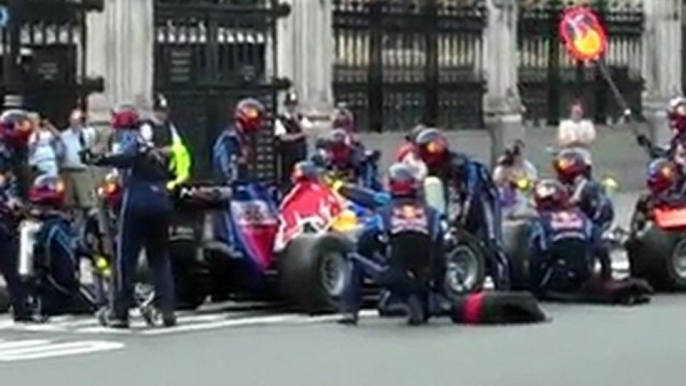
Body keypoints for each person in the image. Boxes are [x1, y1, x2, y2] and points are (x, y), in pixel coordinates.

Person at [84, 105, 176, 328]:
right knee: (160, 258)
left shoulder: (129, 138)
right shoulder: (152, 143)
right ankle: (167, 311)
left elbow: (126, 155)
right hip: (161, 201)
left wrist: (98, 159)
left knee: (125, 259)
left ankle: (119, 312)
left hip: (137, 202)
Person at [339, 163, 444, 326]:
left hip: (394, 274)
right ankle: (421, 298)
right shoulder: (432, 213)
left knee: (355, 258)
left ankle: (349, 311)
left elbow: (365, 239)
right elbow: (440, 251)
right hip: (427, 277)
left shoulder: (384, 211)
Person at [414, 128, 511, 290]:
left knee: (491, 240)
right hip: (454, 210)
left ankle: (503, 284)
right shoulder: (429, 173)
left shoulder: (461, 165)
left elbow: (473, 192)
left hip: (482, 203)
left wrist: (462, 218)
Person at [528, 179, 610, 297]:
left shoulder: (540, 221)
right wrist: (606, 277)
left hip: (554, 274)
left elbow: (535, 251)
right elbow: (600, 246)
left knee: (537, 249)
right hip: (584, 270)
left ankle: (538, 287)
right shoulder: (582, 216)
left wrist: (533, 285)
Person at [212, 98, 266, 252]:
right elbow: (227, 167)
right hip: (229, 190)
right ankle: (229, 244)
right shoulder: (229, 139)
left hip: (241, 189)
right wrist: (234, 181)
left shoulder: (244, 138)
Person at [552, 148, 614, 232]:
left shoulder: (589, 187)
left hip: (588, 232)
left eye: (566, 162)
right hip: (561, 231)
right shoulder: (563, 188)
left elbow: (602, 212)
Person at [139, 94, 192, 190]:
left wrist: (171, 150)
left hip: (168, 168)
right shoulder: (147, 126)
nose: (164, 114)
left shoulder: (169, 126)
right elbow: (144, 148)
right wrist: (160, 151)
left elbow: (178, 144)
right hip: (151, 168)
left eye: (165, 111)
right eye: (161, 111)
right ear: (155, 111)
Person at [59, 109, 97, 218]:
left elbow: (92, 146)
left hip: (82, 170)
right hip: (67, 170)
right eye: (73, 120)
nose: (75, 123)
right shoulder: (64, 135)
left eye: (78, 120)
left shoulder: (88, 134)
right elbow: (59, 152)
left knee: (87, 202)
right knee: (67, 202)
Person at [275, 92, 312, 190]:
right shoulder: (280, 119)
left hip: (300, 153)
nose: (292, 107)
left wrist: (297, 121)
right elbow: (283, 137)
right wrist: (299, 135)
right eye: (290, 105)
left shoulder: (301, 118)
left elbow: (308, 131)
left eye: (294, 105)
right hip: (287, 154)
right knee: (288, 178)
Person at [557, 101, 596, 165]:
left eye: (579, 112)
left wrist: (572, 141)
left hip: (583, 154)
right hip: (566, 153)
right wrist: (578, 141)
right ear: (571, 112)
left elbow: (589, 142)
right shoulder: (564, 124)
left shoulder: (588, 124)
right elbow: (562, 142)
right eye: (575, 112)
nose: (577, 114)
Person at [27, 114, 63, 179]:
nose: (35, 121)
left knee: (52, 182)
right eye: (33, 120)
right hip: (38, 163)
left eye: (36, 119)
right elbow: (32, 146)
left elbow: (58, 136)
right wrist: (36, 130)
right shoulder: (30, 135)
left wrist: (49, 125)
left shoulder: (46, 133)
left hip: (50, 160)